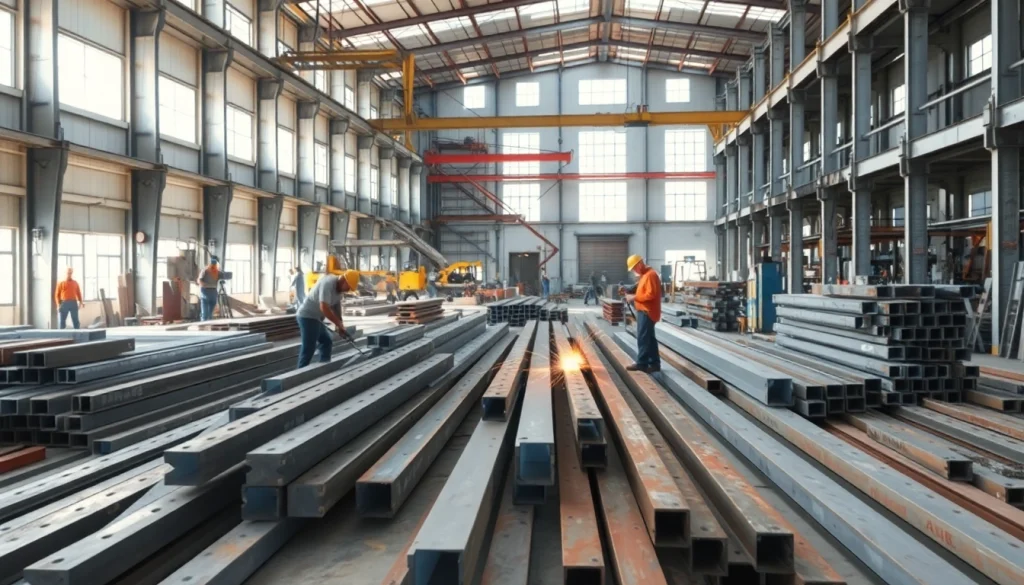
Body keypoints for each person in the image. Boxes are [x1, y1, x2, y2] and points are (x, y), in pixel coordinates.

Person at [295, 269, 359, 368]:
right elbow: (324, 307)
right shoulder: (328, 283)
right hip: (307, 316)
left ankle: (324, 367)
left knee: (326, 341)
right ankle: (298, 375)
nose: (348, 290)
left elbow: (336, 307)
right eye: (348, 287)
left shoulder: (339, 291)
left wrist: (340, 325)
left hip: (316, 318)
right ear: (343, 280)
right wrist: (337, 323)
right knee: (309, 348)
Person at [623, 254, 662, 373]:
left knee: (643, 337)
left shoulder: (650, 275)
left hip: (647, 311)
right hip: (644, 310)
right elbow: (643, 290)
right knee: (649, 338)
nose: (634, 271)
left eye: (634, 268)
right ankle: (655, 363)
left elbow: (651, 295)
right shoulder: (645, 275)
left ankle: (642, 363)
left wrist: (634, 297)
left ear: (640, 264)